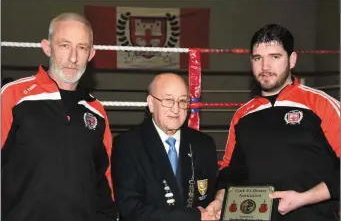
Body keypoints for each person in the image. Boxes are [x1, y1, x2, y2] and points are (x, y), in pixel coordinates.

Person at [206, 24, 340, 221]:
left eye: (275, 57)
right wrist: (219, 200)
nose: (265, 67)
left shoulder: (322, 105)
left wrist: (304, 198)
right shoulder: (242, 115)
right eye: (258, 58)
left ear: (292, 59)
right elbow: (230, 171)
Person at [1, 12, 116, 221]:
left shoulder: (96, 111)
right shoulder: (14, 96)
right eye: (64, 45)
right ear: (47, 47)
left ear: (91, 54)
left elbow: (103, 180)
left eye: (82, 48)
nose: (73, 57)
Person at [111, 73, 219, 221]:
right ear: (150, 103)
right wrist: (194, 217)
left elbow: (210, 196)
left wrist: (217, 206)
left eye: (182, 101)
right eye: (168, 100)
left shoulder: (204, 144)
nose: (176, 109)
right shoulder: (127, 145)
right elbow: (131, 208)